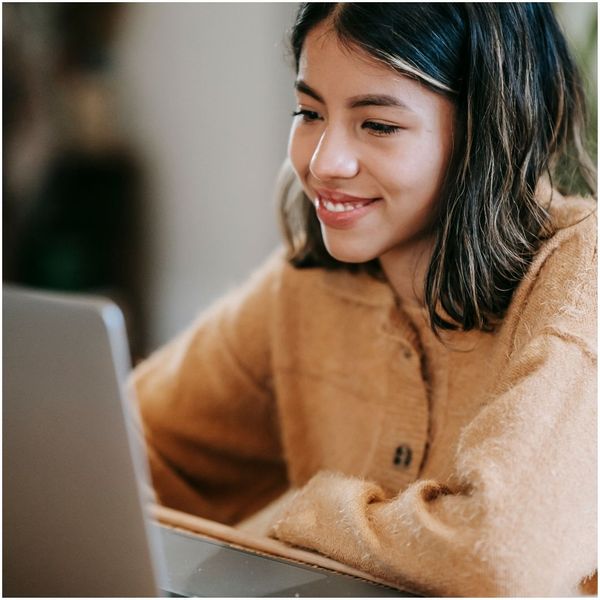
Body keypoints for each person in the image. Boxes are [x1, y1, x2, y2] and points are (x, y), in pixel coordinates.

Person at [130, 3, 597, 596]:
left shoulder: (582, 277)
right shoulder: (305, 287)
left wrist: (300, 514)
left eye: (377, 125)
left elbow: (496, 557)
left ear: (489, 128)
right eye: (309, 112)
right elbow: (122, 443)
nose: (324, 163)